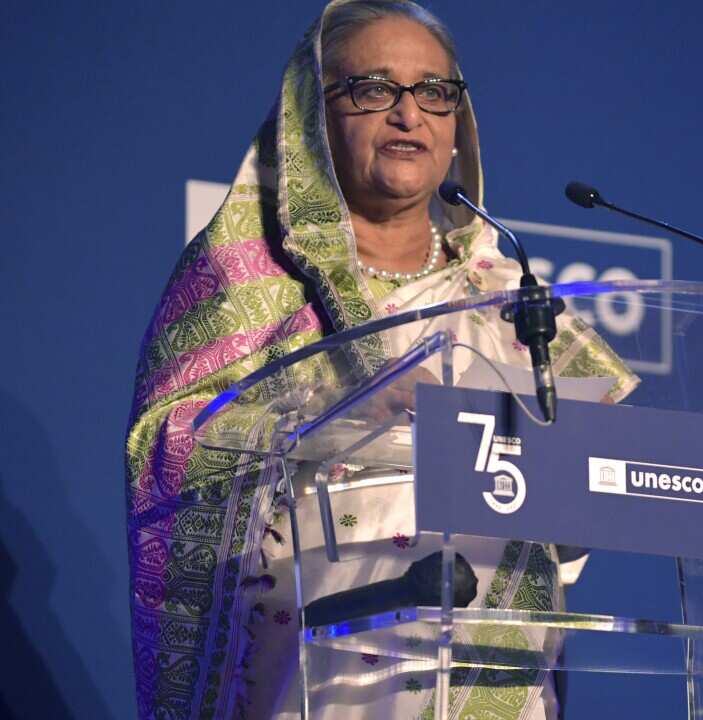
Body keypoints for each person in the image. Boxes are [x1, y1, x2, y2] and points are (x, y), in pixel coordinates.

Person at [125, 2, 636, 717]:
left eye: (434, 92)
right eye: (373, 89)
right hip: (318, 680)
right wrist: (319, 410)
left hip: (493, 679)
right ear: (311, 118)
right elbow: (165, 454)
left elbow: (599, 491)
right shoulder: (246, 279)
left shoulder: (510, 298)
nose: (408, 114)